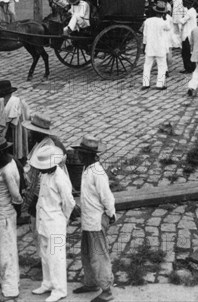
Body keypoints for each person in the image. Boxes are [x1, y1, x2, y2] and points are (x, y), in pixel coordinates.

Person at [72, 136, 116, 302]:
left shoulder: (98, 173)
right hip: (88, 221)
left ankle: (106, 289)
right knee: (86, 254)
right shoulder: (87, 169)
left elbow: (107, 197)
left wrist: (111, 215)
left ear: (89, 155)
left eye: (81, 153)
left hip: (96, 222)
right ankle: (91, 282)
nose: (78, 156)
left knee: (99, 255)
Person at [30, 145, 75, 302]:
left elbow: (69, 202)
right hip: (43, 223)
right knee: (45, 255)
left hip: (55, 223)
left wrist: (63, 218)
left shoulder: (60, 177)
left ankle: (59, 289)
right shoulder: (45, 176)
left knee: (56, 257)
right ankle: (47, 282)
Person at [23, 113, 67, 262]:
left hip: (48, 194)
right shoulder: (38, 145)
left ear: (38, 133)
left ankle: (55, 261)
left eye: (31, 131)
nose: (28, 134)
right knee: (36, 229)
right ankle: (44, 260)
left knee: (49, 230)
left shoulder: (49, 147)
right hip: (37, 193)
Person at [0, 137, 23, 302]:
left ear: (1, 153)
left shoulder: (7, 170)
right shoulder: (9, 163)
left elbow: (16, 196)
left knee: (6, 253)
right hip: (3, 215)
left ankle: (10, 291)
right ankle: (10, 281)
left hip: (5, 216)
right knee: (5, 251)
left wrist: (13, 210)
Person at [0, 80, 30, 162]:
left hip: (3, 142)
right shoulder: (20, 102)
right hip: (18, 140)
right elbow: (28, 119)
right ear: (11, 92)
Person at [141, 1, 171, 90]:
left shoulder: (147, 21)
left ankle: (145, 83)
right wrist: (164, 18)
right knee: (162, 66)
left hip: (150, 46)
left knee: (147, 66)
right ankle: (160, 84)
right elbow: (168, 28)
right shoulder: (163, 23)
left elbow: (145, 35)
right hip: (160, 47)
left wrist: (144, 45)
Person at [178, 0, 197, 74]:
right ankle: (191, 67)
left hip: (187, 34)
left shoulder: (190, 11)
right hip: (190, 33)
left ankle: (188, 68)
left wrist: (178, 19)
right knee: (189, 52)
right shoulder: (192, 10)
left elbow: (182, 21)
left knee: (186, 52)